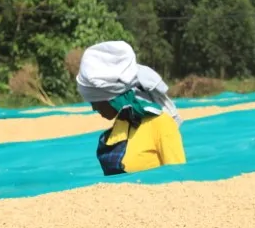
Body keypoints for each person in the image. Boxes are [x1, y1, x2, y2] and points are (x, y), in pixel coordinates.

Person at [73, 41, 186, 176]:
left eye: (95, 101)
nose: (93, 108)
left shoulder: (161, 124)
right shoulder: (122, 124)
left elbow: (178, 177)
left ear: (113, 98)